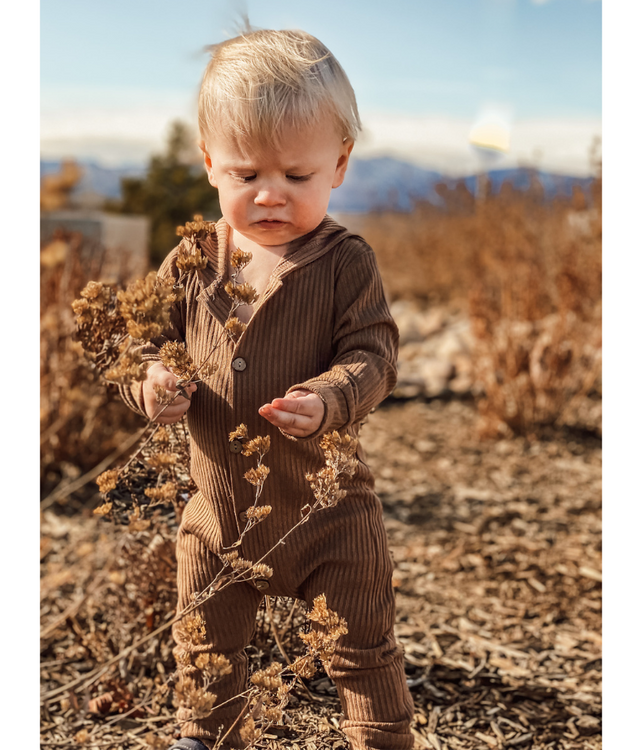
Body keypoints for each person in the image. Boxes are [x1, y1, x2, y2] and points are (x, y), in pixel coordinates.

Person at [120, 28, 414, 750]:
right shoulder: (192, 261)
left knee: (359, 644)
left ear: (339, 165)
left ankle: (379, 738)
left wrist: (332, 398)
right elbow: (137, 344)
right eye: (247, 174)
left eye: (298, 176)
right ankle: (205, 734)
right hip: (220, 513)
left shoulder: (345, 262)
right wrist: (149, 381)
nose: (271, 194)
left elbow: (374, 348)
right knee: (205, 639)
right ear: (211, 163)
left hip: (329, 516)